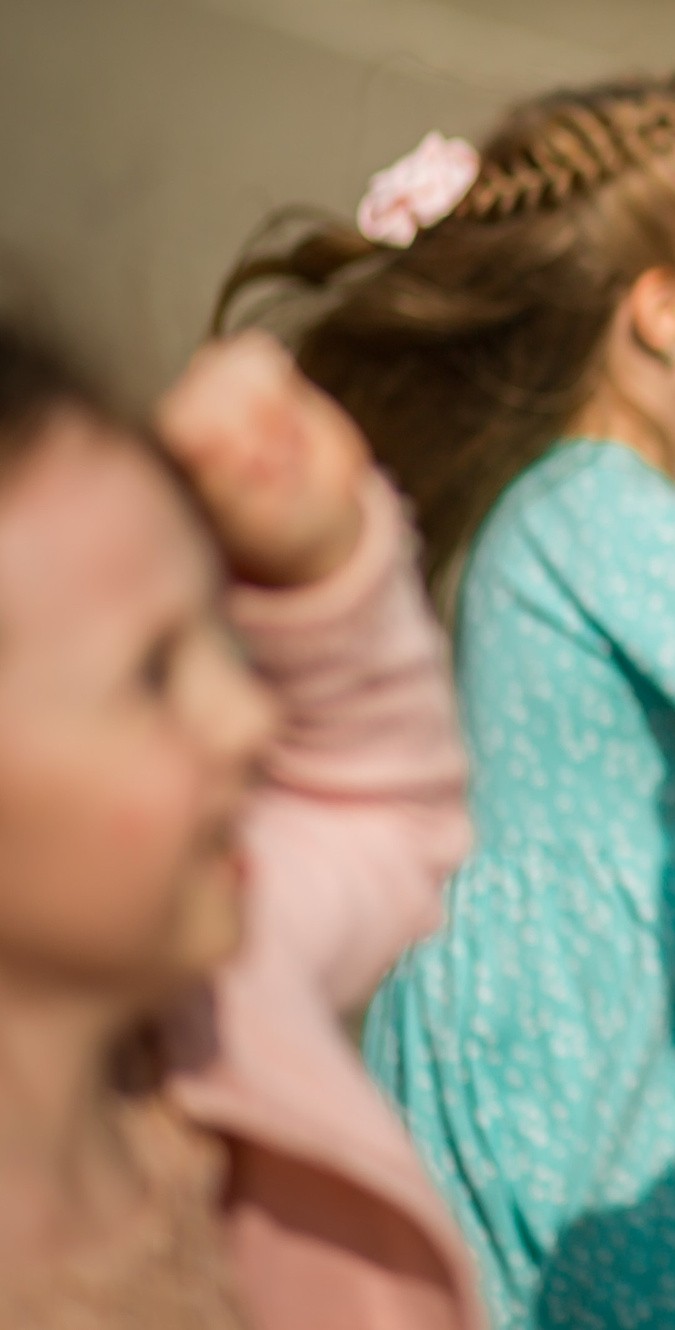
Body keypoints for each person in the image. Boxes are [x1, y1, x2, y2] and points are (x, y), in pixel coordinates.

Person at [217, 77, 675, 1330]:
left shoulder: (552, 499)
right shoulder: (628, 522)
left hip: (529, 1009)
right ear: (660, 314)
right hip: (594, 1054)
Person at [0, 321, 481, 1328]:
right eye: (152, 672)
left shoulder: (215, 999)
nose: (250, 716)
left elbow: (372, 798)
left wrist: (318, 569)